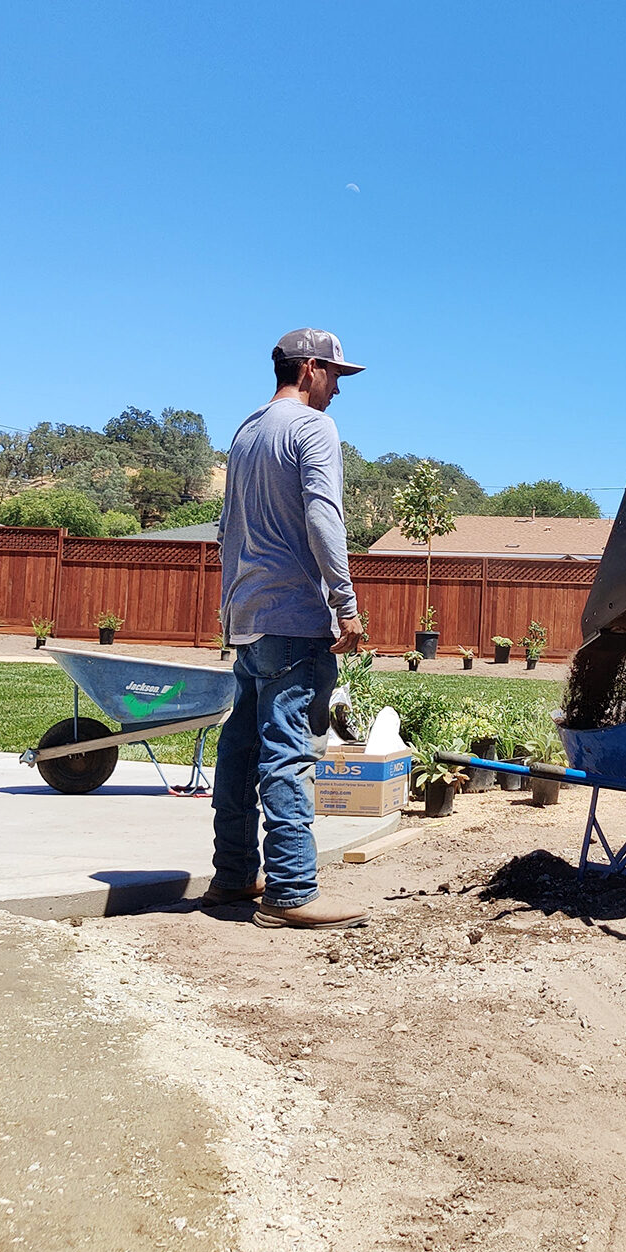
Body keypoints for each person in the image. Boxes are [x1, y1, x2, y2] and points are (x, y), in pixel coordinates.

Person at [206, 329, 368, 929]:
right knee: (288, 753)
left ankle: (233, 876)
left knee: (240, 749)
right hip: (295, 620)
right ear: (307, 369)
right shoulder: (311, 429)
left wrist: (232, 608)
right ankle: (292, 891)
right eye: (333, 376)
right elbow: (324, 516)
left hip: (248, 619)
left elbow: (226, 531)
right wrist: (344, 603)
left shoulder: (246, 432)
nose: (336, 390)